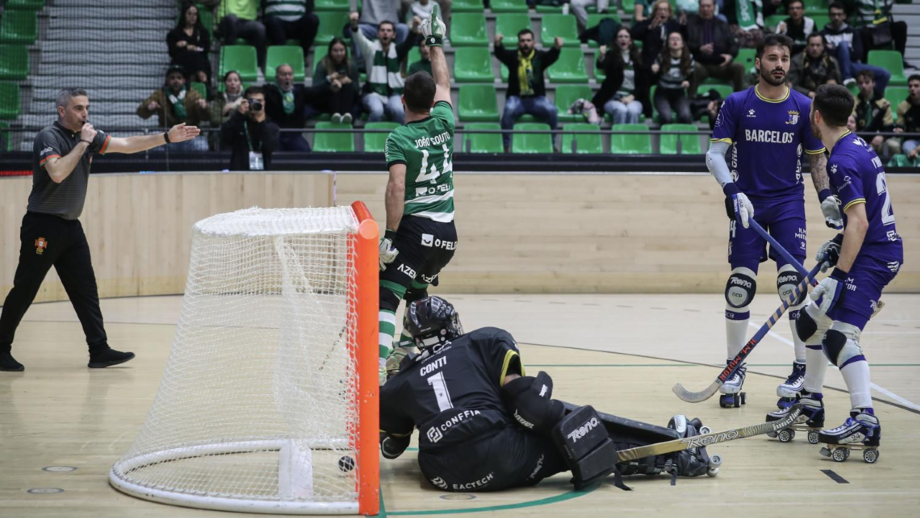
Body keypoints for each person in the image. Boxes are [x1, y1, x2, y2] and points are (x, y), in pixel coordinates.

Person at [380, 296, 715, 492]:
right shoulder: (483, 340)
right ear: (452, 324)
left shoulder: (400, 381)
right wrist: (564, 422)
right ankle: (677, 452)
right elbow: (529, 409)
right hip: (500, 453)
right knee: (569, 429)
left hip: (442, 473)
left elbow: (392, 448)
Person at [0, 88, 200, 372]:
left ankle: (99, 350)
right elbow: (57, 173)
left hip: (71, 227)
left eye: (87, 108)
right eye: (78, 108)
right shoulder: (49, 136)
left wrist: (166, 137)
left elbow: (127, 144)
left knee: (86, 289)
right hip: (42, 225)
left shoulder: (89, 136)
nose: (85, 113)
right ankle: (1, 348)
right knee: (26, 287)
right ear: (61, 111)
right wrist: (83, 143)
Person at [706, 34, 842, 409]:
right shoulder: (737, 103)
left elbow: (816, 158)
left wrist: (826, 197)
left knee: (792, 287)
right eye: (771, 58)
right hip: (747, 203)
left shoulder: (803, 107)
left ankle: (800, 369)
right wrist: (732, 191)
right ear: (758, 63)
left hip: (787, 205)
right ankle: (735, 366)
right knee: (739, 287)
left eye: (784, 58)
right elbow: (714, 155)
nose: (779, 64)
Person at [766, 84, 903, 457]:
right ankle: (810, 403)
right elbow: (862, 218)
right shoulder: (859, 146)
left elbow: (860, 222)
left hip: (873, 257)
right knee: (811, 323)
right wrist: (839, 243)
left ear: (816, 117)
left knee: (840, 338)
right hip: (866, 248)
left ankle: (864, 418)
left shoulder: (840, 160)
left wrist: (840, 276)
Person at [377, 5, 458, 384]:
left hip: (415, 231)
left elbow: (396, 187)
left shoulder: (399, 137)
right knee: (417, 293)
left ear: (402, 101)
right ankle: (412, 357)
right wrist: (435, 42)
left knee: (386, 297)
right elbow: (444, 83)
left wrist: (389, 236)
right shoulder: (445, 121)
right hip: (448, 238)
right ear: (432, 101)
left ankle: (376, 371)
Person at [495, 29, 562, 150]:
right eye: (522, 41)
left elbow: (551, 56)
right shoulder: (513, 56)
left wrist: (557, 48)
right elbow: (501, 54)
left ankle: (551, 144)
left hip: (537, 99)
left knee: (552, 110)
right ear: (518, 43)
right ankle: (505, 145)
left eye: (528, 40)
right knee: (508, 109)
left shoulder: (540, 56)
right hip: (517, 99)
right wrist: (497, 44)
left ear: (533, 42)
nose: (525, 43)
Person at [349, 14, 421, 124]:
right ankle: (371, 134)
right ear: (378, 34)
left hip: (393, 94)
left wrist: (415, 27)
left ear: (394, 35)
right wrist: (354, 24)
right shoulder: (370, 49)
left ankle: (400, 135)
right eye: (382, 30)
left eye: (388, 30)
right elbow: (359, 38)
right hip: (373, 93)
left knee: (399, 111)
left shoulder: (397, 50)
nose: (385, 33)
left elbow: (408, 43)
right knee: (377, 110)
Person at [137, 65, 210, 152]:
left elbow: (208, 116)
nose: (176, 81)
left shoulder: (193, 95)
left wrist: (204, 108)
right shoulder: (160, 94)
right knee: (153, 143)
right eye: (172, 78)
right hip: (168, 135)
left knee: (202, 146)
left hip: (188, 136)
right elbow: (141, 112)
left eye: (179, 78)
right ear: (167, 80)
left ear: (184, 80)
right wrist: (148, 108)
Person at [632, 0, 687, 117]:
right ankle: (647, 110)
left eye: (665, 9)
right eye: (660, 9)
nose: (662, 12)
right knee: (643, 74)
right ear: (655, 11)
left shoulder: (674, 25)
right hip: (650, 63)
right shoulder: (648, 23)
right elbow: (633, 33)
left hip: (668, 63)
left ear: (669, 12)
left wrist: (683, 26)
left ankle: (674, 105)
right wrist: (649, 27)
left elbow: (685, 38)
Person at [820, 2, 889, 94]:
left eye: (839, 14)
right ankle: (847, 77)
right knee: (843, 45)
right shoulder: (823, 34)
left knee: (884, 74)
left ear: (844, 16)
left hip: (852, 65)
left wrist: (838, 50)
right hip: (832, 67)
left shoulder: (853, 32)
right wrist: (846, 50)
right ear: (829, 16)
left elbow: (858, 53)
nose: (836, 17)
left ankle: (874, 98)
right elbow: (823, 53)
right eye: (833, 14)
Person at [686, 0, 745, 95]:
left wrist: (730, 55)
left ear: (714, 7)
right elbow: (685, 44)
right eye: (703, 6)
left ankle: (739, 100)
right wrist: (699, 48)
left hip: (721, 65)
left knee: (739, 67)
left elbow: (733, 44)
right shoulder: (690, 24)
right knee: (694, 67)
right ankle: (691, 99)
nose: (705, 9)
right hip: (701, 64)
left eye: (708, 6)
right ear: (699, 7)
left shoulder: (722, 24)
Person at [592, 28, 644, 125]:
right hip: (612, 98)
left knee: (633, 111)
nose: (623, 39)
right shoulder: (611, 55)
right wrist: (602, 56)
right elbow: (601, 65)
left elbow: (643, 84)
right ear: (616, 41)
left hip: (633, 98)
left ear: (630, 41)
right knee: (621, 110)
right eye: (620, 36)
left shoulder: (638, 59)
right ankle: (619, 135)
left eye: (626, 36)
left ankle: (631, 135)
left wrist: (631, 97)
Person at [221, 86, 280, 171]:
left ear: (264, 103)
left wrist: (261, 123)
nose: (255, 103)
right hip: (239, 172)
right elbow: (224, 136)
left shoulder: (271, 126)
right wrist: (239, 114)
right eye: (251, 101)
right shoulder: (239, 122)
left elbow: (270, 147)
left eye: (259, 101)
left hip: (262, 174)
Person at [264, 63, 312, 151]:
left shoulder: (299, 91)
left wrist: (328, 82)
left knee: (305, 150)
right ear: (277, 77)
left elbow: (317, 92)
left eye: (290, 74)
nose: (287, 77)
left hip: (294, 135)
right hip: (277, 135)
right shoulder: (268, 91)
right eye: (283, 74)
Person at [852, 70, 899, 158]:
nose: (863, 86)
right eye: (860, 83)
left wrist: (882, 136)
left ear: (873, 83)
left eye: (867, 82)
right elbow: (851, 124)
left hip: (879, 139)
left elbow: (889, 127)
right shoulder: (853, 102)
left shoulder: (884, 103)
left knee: (894, 146)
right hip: (860, 139)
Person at [312, 38, 360, 124]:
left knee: (347, 85)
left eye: (341, 50)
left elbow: (357, 90)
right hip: (327, 100)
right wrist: (330, 81)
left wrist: (350, 82)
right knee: (335, 87)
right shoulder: (323, 64)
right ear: (330, 51)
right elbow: (315, 88)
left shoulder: (351, 65)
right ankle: (335, 113)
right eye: (335, 51)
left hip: (347, 98)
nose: (339, 53)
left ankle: (346, 114)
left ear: (345, 51)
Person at [848, 0, 909, 67]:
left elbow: (908, 1)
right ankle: (865, 63)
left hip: (883, 29)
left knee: (901, 26)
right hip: (866, 30)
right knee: (863, 32)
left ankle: (899, 60)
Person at [651, 31, 694, 124]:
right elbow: (652, 80)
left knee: (685, 116)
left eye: (677, 39)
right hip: (662, 92)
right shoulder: (661, 57)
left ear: (682, 44)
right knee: (666, 117)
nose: (675, 41)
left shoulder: (689, 58)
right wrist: (654, 71)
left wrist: (688, 82)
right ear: (668, 43)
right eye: (672, 39)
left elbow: (692, 77)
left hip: (679, 93)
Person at [167, 2, 212, 84]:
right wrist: (178, 46)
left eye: (195, 14)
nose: (193, 17)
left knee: (198, 59)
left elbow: (205, 49)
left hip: (200, 61)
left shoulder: (202, 32)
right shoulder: (174, 34)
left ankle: (202, 79)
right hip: (182, 62)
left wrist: (193, 48)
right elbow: (172, 52)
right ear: (184, 15)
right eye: (189, 14)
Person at [217, 0, 267, 71]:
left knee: (260, 29)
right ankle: (228, 62)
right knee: (231, 19)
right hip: (227, 21)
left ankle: (257, 67)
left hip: (246, 23)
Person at [789, 34, 842, 99]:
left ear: (823, 46)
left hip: (827, 97)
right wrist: (808, 93)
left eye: (818, 45)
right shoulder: (796, 61)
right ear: (807, 46)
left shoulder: (832, 61)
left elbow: (840, 84)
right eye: (812, 45)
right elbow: (792, 86)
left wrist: (834, 85)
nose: (815, 48)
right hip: (803, 97)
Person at [210, 70, 245, 150]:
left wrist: (232, 106)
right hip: (224, 131)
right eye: (229, 80)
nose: (232, 83)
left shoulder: (245, 98)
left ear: (240, 83)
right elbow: (214, 119)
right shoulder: (218, 99)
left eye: (235, 80)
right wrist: (235, 119)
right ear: (225, 83)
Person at [895, 74, 920, 159]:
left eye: (916, 86)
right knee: (907, 147)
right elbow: (900, 125)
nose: (912, 88)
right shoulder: (903, 106)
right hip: (911, 140)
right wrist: (898, 130)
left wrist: (917, 150)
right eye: (910, 86)